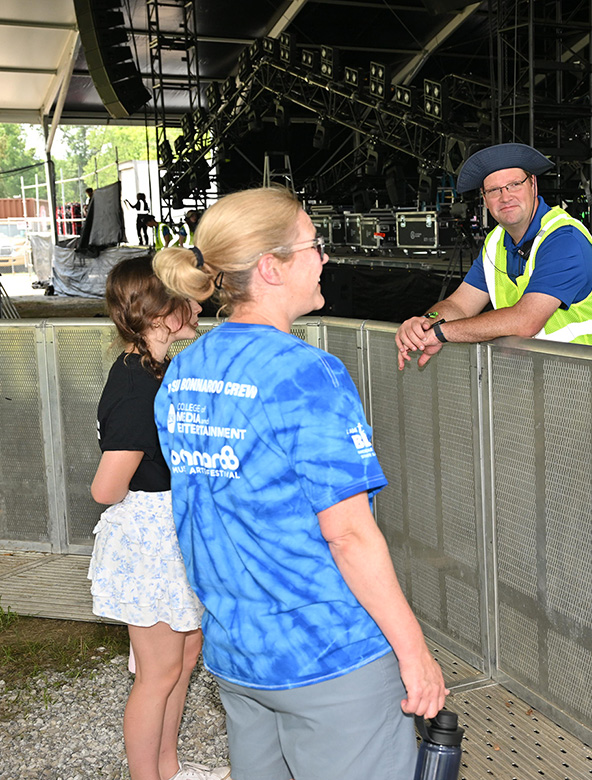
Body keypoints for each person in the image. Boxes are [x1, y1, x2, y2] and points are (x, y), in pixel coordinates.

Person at [153, 187, 447, 780]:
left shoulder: (184, 368)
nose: (325, 258)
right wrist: (414, 654)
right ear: (271, 267)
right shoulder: (307, 373)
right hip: (327, 656)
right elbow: (348, 535)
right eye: (314, 245)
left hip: (238, 652)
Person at [88, 256, 229, 780]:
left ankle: (168, 769)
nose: (199, 305)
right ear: (159, 310)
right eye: (188, 297)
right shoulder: (135, 385)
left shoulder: (157, 371)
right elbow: (106, 488)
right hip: (149, 536)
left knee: (185, 657)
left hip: (172, 530)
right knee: (158, 671)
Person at [395, 142, 592, 369]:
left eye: (514, 184)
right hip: (564, 380)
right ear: (485, 199)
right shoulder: (495, 243)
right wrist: (426, 322)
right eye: (494, 190)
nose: (505, 197)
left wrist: (441, 333)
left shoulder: (565, 239)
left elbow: (526, 320)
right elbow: (459, 305)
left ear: (533, 184)